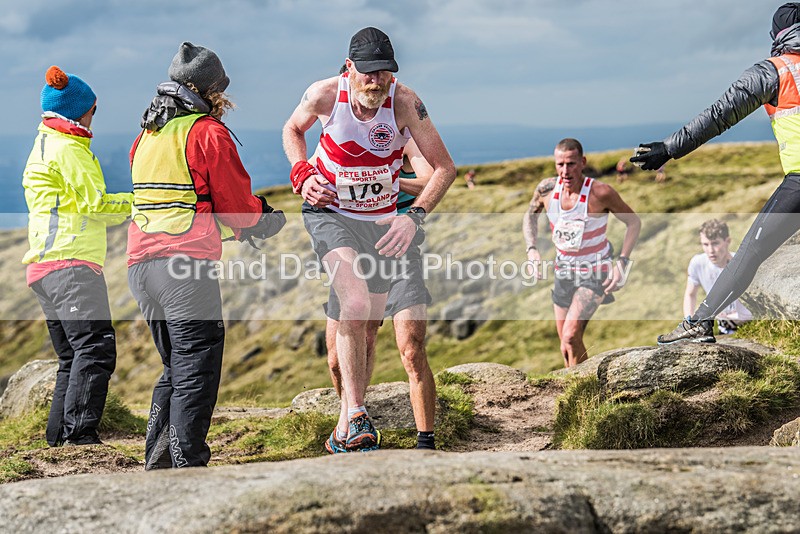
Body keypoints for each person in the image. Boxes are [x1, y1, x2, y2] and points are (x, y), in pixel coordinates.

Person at [282, 27, 456, 452]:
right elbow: (292, 129)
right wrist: (301, 174)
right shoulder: (324, 95)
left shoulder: (406, 102)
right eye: (368, 72)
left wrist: (413, 217)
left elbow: (444, 169)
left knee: (369, 331)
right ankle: (358, 413)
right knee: (355, 304)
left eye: (384, 72)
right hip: (331, 215)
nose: (376, 81)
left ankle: (346, 426)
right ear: (349, 68)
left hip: (380, 225)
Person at [128, 42, 285, 469]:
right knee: (197, 365)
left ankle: (159, 463)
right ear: (209, 91)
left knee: (175, 366)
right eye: (221, 90)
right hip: (182, 270)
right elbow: (235, 204)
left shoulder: (147, 135)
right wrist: (263, 220)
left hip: (140, 267)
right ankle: (187, 465)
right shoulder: (207, 132)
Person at [631, 3, 800, 345]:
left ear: (777, 35)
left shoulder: (775, 71)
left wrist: (670, 148)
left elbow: (719, 115)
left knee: (751, 250)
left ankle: (699, 322)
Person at [23, 66, 133, 446]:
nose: (93, 117)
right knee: (95, 348)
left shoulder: (43, 143)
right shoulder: (69, 149)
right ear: (78, 112)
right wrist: (140, 203)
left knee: (72, 356)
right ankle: (80, 437)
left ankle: (59, 441)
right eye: (93, 110)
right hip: (71, 264)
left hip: (44, 268)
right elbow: (97, 204)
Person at [324, 139, 437, 452]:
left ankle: (426, 443)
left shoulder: (405, 137)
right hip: (354, 245)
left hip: (399, 247)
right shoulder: (344, 132)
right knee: (337, 360)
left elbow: (429, 181)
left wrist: (388, 180)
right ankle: (352, 423)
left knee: (411, 348)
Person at [524, 138, 641, 367]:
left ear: (583, 162)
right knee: (565, 345)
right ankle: (577, 385)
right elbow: (530, 215)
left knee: (570, 336)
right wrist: (531, 249)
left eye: (571, 164)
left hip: (595, 272)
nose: (565, 171)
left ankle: (583, 385)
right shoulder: (547, 190)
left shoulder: (600, 193)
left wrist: (622, 263)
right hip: (563, 271)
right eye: (560, 164)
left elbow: (634, 222)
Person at [683, 219, 753, 335]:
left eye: (715, 243)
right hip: (723, 328)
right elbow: (690, 294)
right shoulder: (697, 263)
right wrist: (689, 323)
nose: (710, 250)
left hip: (751, 326)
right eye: (705, 244)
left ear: (728, 241)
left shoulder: (742, 264)